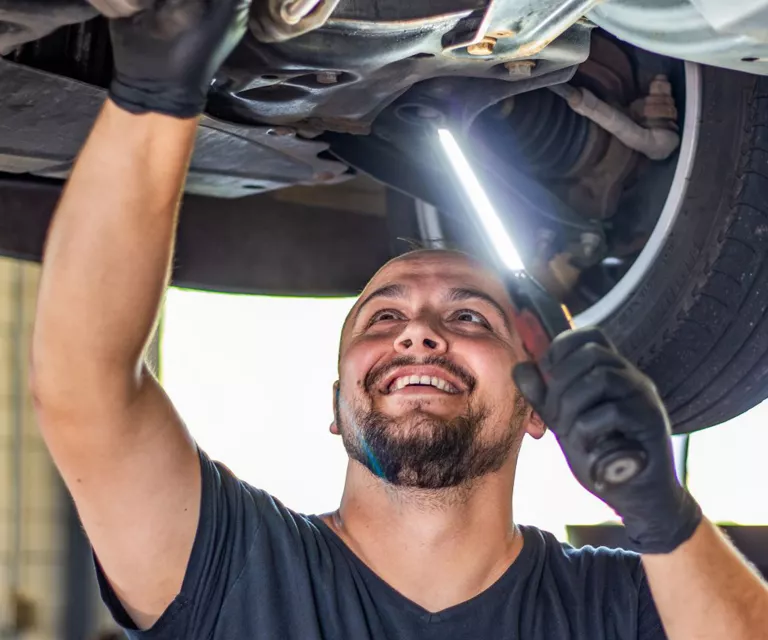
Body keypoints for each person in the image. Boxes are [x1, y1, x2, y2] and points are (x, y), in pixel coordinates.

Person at [29, 1, 768, 639]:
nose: (417, 332)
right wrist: (157, 89)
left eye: (471, 317)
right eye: (382, 318)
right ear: (334, 408)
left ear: (538, 407)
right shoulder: (237, 566)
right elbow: (88, 388)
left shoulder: (613, 604)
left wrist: (664, 516)